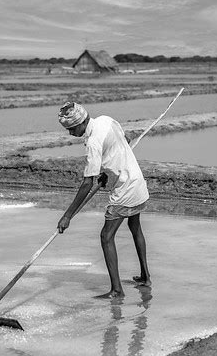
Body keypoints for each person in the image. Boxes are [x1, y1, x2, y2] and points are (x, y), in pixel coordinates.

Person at [57, 101, 151, 298]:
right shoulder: (106, 120)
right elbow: (125, 139)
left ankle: (117, 290)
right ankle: (145, 276)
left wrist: (67, 216)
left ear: (81, 123)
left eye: (72, 129)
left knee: (106, 236)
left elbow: (87, 183)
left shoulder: (92, 143)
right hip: (137, 180)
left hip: (125, 189)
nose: (71, 133)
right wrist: (109, 170)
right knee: (135, 227)